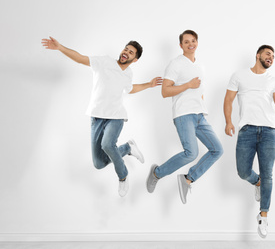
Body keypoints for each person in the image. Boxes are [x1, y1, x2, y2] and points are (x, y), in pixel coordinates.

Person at [41, 36, 162, 197]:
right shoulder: (105, 62)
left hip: (116, 117)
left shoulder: (128, 73)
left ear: (135, 59)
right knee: (98, 163)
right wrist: (60, 47)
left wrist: (149, 84)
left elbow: (129, 89)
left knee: (107, 145)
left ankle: (123, 176)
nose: (126, 52)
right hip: (96, 117)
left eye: (131, 52)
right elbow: (80, 59)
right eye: (126, 49)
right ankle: (128, 147)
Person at [223, 45, 275, 238]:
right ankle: (257, 182)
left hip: (268, 132)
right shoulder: (239, 75)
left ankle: (263, 216)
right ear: (258, 55)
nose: (271, 58)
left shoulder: (272, 80)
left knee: (268, 174)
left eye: (273, 56)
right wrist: (228, 121)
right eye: (267, 54)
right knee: (242, 171)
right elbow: (228, 100)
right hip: (246, 130)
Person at [146, 30, 223, 204]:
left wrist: (202, 110)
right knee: (191, 153)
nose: (191, 44)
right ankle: (157, 173)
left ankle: (188, 179)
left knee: (217, 150)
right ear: (181, 45)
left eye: (193, 41)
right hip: (183, 114)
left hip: (199, 116)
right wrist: (188, 85)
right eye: (186, 42)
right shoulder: (175, 64)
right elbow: (165, 91)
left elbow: (200, 91)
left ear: (197, 42)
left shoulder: (200, 66)